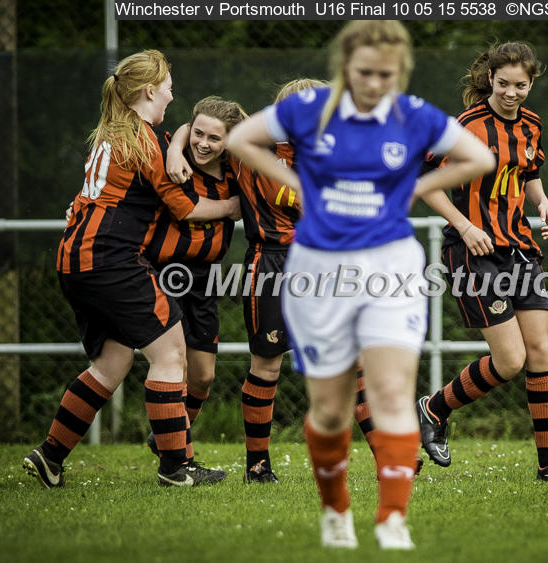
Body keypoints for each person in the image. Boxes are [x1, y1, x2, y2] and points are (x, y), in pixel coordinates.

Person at [226, 21, 494, 550]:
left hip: (390, 267)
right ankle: (336, 511)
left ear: (401, 72)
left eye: (385, 75)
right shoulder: (309, 110)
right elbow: (240, 139)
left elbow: (479, 158)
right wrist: (298, 183)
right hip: (318, 269)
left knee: (391, 392)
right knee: (330, 409)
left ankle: (392, 520)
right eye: (363, 72)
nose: (373, 83)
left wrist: (412, 188)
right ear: (344, 67)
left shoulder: (413, 115)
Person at [166, 78, 420, 484]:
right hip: (269, 264)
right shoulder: (251, 151)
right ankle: (257, 466)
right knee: (267, 366)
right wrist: (175, 146)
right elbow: (204, 127)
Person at [22, 50, 239, 489]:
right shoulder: (144, 139)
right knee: (171, 354)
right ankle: (176, 467)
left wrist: (175, 144)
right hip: (110, 259)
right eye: (169, 89)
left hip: (74, 258)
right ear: (150, 91)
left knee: (111, 364)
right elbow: (184, 207)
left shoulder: (112, 131)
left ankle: (49, 456)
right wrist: (235, 206)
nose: (172, 96)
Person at [416, 41, 548, 483]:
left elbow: (528, 172)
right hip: (473, 252)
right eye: (504, 84)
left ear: (532, 84)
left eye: (521, 86)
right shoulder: (465, 127)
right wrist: (465, 226)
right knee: (509, 361)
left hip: (520, 248)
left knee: (540, 351)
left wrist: (543, 202)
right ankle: (434, 408)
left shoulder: (531, 124)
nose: (512, 93)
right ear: (490, 79)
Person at [143, 95, 248, 469]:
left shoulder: (237, 168)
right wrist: (176, 145)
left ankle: (166, 437)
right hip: (163, 273)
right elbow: (184, 209)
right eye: (198, 133)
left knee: (203, 377)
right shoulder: (175, 159)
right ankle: (176, 455)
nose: (203, 143)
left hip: (206, 279)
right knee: (175, 364)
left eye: (214, 138)